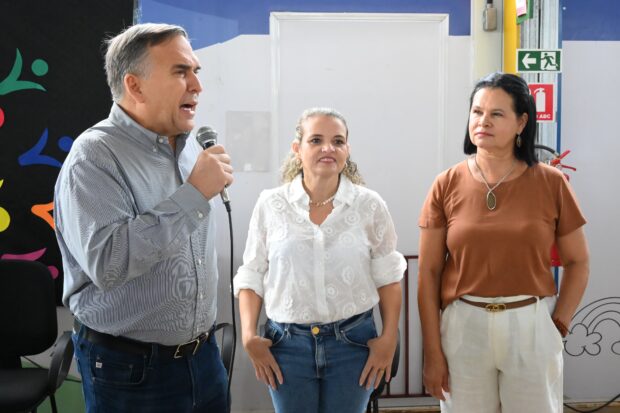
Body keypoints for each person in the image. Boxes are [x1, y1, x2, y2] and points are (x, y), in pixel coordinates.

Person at [54, 23, 233, 412]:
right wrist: (195, 193)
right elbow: (109, 262)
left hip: (203, 357)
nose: (197, 86)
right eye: (180, 72)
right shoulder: (94, 156)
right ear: (135, 86)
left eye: (196, 71)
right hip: (131, 369)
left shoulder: (191, 150)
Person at [417, 72, 590, 413]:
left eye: (497, 114)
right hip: (464, 325)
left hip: (530, 323)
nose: (483, 121)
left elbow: (578, 262)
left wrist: (558, 324)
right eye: (477, 112)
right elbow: (429, 273)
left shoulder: (551, 183)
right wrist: (432, 351)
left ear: (521, 122)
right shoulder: (446, 183)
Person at [234, 107, 406, 412]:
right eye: (316, 140)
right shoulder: (271, 204)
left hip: (353, 344)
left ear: (347, 150)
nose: (328, 148)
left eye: (337, 141)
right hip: (287, 346)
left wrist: (389, 337)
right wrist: (248, 335)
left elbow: (388, 276)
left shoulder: (369, 205)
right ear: (297, 149)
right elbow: (252, 273)